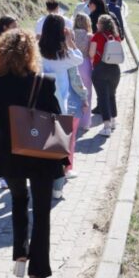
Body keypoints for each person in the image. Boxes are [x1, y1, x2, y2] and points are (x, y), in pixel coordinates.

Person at [0, 30, 66, 278]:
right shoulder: (45, 82)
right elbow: (57, 122)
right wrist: (64, 159)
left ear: (0, 53)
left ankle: (19, 256)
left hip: (10, 156)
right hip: (41, 157)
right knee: (41, 212)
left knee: (18, 202)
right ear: (31, 53)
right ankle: (37, 274)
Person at [39, 15, 85, 195]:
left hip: (39, 104)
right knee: (58, 146)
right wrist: (70, 41)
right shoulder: (63, 55)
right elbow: (79, 58)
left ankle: (41, 182)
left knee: (42, 145)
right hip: (59, 105)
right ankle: (57, 188)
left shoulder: (37, 52)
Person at [90, 15, 123, 137]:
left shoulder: (97, 36)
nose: (96, 25)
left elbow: (91, 53)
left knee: (102, 98)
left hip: (100, 69)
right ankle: (113, 121)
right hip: (115, 70)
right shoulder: (116, 37)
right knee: (111, 95)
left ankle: (107, 126)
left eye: (98, 23)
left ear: (101, 25)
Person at [72, 13, 95, 130]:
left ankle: (73, 121)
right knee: (87, 94)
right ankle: (85, 123)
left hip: (72, 65)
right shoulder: (90, 36)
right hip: (85, 65)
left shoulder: (71, 34)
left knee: (73, 93)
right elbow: (92, 54)